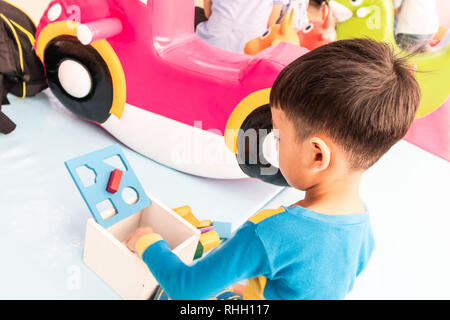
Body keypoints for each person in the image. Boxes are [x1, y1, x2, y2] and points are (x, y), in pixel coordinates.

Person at [126, 39, 421, 300]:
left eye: (278, 136)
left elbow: (186, 288)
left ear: (317, 154)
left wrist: (148, 242)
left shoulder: (268, 232)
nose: (273, 145)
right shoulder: (361, 225)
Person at [195, 0, 274, 53]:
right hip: (250, 51)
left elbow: (208, 13)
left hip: (212, 42)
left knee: (196, 12)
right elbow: (271, 23)